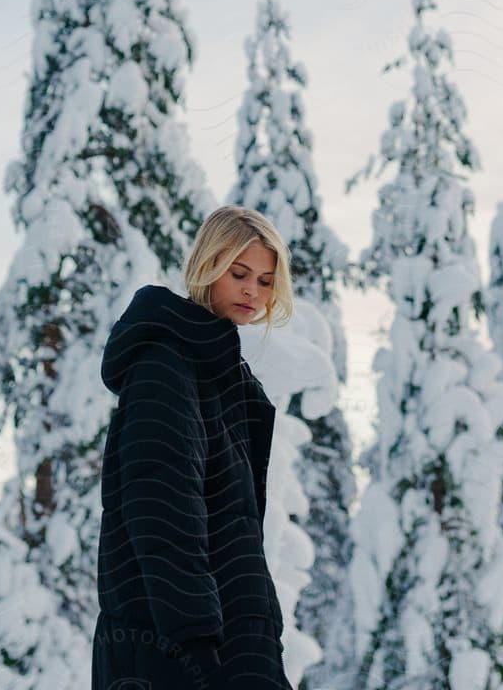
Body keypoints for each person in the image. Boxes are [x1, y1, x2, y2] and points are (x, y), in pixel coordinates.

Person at [92, 205, 296, 689]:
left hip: (228, 643)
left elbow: (234, 531)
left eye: (266, 281)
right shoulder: (166, 365)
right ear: (207, 266)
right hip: (177, 649)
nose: (253, 290)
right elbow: (162, 505)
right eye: (239, 272)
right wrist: (197, 646)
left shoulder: (226, 377)